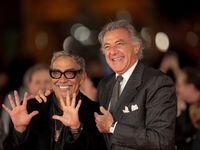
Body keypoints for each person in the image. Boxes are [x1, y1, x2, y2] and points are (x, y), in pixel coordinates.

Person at [94, 20, 177, 150]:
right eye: (107, 46)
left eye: (119, 44)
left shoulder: (157, 82)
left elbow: (162, 140)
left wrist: (113, 127)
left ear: (136, 47)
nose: (113, 51)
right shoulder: (104, 84)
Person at [2, 50, 106, 150]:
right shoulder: (31, 107)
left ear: (82, 77)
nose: (62, 79)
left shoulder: (94, 111)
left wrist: (76, 129)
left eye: (69, 73)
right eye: (56, 73)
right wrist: (19, 130)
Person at [1, 63, 52, 135]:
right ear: (29, 85)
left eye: (46, 81)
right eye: (37, 82)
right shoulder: (17, 103)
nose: (42, 86)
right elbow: (5, 130)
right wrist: (19, 131)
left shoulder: (59, 106)